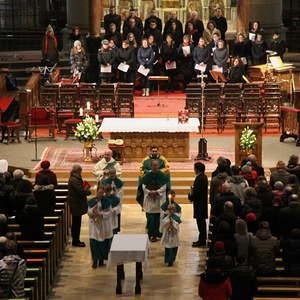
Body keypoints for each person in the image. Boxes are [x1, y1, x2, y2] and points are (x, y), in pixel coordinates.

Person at [141, 160, 170, 242]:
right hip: (150, 200)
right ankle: (150, 234)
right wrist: (149, 192)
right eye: (153, 165)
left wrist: (156, 192)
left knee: (158, 218)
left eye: (156, 165)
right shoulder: (148, 175)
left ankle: (156, 234)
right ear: (151, 166)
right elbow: (143, 186)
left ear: (158, 166)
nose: (155, 167)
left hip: (158, 200)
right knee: (150, 218)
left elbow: (164, 187)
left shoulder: (161, 175)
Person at [87, 184, 114, 268]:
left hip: (104, 225)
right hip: (94, 226)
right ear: (96, 192)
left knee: (103, 243)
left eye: (102, 193)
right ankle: (95, 261)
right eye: (99, 192)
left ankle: (101, 260)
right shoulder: (92, 201)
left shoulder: (107, 202)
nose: (100, 194)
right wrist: (93, 211)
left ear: (104, 193)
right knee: (94, 243)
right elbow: (88, 212)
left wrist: (101, 214)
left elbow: (109, 213)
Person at [68, 164, 91, 247]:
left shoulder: (75, 177)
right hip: (76, 204)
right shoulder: (74, 179)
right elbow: (80, 191)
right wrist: (87, 190)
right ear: (78, 171)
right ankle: (75, 241)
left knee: (76, 223)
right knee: (76, 224)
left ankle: (76, 239)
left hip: (77, 203)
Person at [189, 162, 208, 247]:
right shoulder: (203, 177)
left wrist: (191, 195)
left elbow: (197, 193)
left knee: (201, 223)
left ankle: (202, 241)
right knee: (201, 223)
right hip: (201, 204)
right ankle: (201, 239)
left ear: (197, 169)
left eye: (194, 168)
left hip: (200, 204)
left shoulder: (200, 178)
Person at [102, 169, 123, 233]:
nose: (112, 175)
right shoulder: (105, 181)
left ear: (115, 173)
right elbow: (102, 191)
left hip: (115, 200)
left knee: (116, 216)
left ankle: (116, 229)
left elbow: (121, 192)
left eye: (113, 173)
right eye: (111, 173)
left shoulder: (119, 182)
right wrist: (107, 194)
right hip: (107, 199)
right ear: (109, 174)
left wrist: (115, 195)